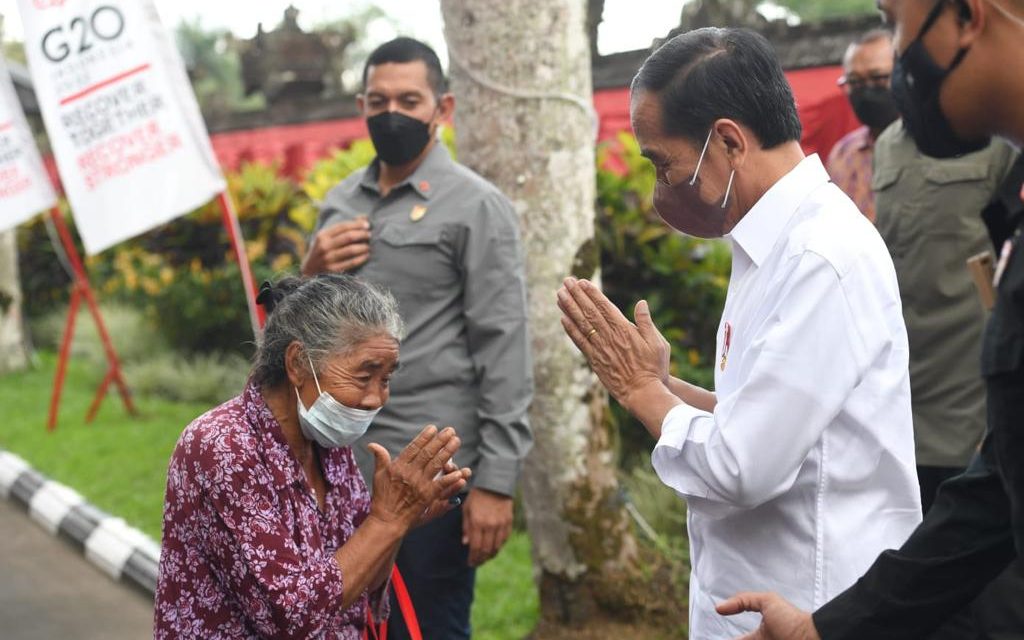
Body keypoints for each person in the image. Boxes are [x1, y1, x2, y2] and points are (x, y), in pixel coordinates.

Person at [556, 27, 921, 639]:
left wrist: (644, 393)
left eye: (663, 164)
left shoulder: (821, 256)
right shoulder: (768, 243)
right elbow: (759, 413)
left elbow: (746, 464)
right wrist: (664, 384)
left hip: (811, 603)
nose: (659, 191)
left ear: (727, 141)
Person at [716, 0, 1024, 637]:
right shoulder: (892, 158)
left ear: (966, 16)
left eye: (893, 21)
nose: (896, 54)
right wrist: (828, 629)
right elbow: (996, 495)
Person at [301, 37, 533, 639]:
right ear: (361, 105)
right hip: (333, 467)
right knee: (333, 621)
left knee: (424, 627)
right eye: (378, 100)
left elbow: (504, 345)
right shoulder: (338, 204)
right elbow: (298, 344)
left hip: (430, 472)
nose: (392, 114)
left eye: (409, 99)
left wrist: (497, 483)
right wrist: (309, 272)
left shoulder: (477, 208)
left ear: (443, 109)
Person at [153, 274, 472, 639]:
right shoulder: (223, 447)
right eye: (364, 375)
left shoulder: (328, 447)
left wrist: (401, 520)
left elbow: (359, 589)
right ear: (297, 363)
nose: (376, 399)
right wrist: (385, 520)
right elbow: (291, 619)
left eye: (385, 380)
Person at [872, 121, 1023, 638]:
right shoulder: (888, 146)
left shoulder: (999, 143)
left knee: (992, 589)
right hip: (905, 399)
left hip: (973, 400)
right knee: (927, 586)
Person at [826, 29, 901, 222]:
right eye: (855, 81)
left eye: (878, 78)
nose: (866, 90)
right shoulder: (842, 154)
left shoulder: (932, 146)